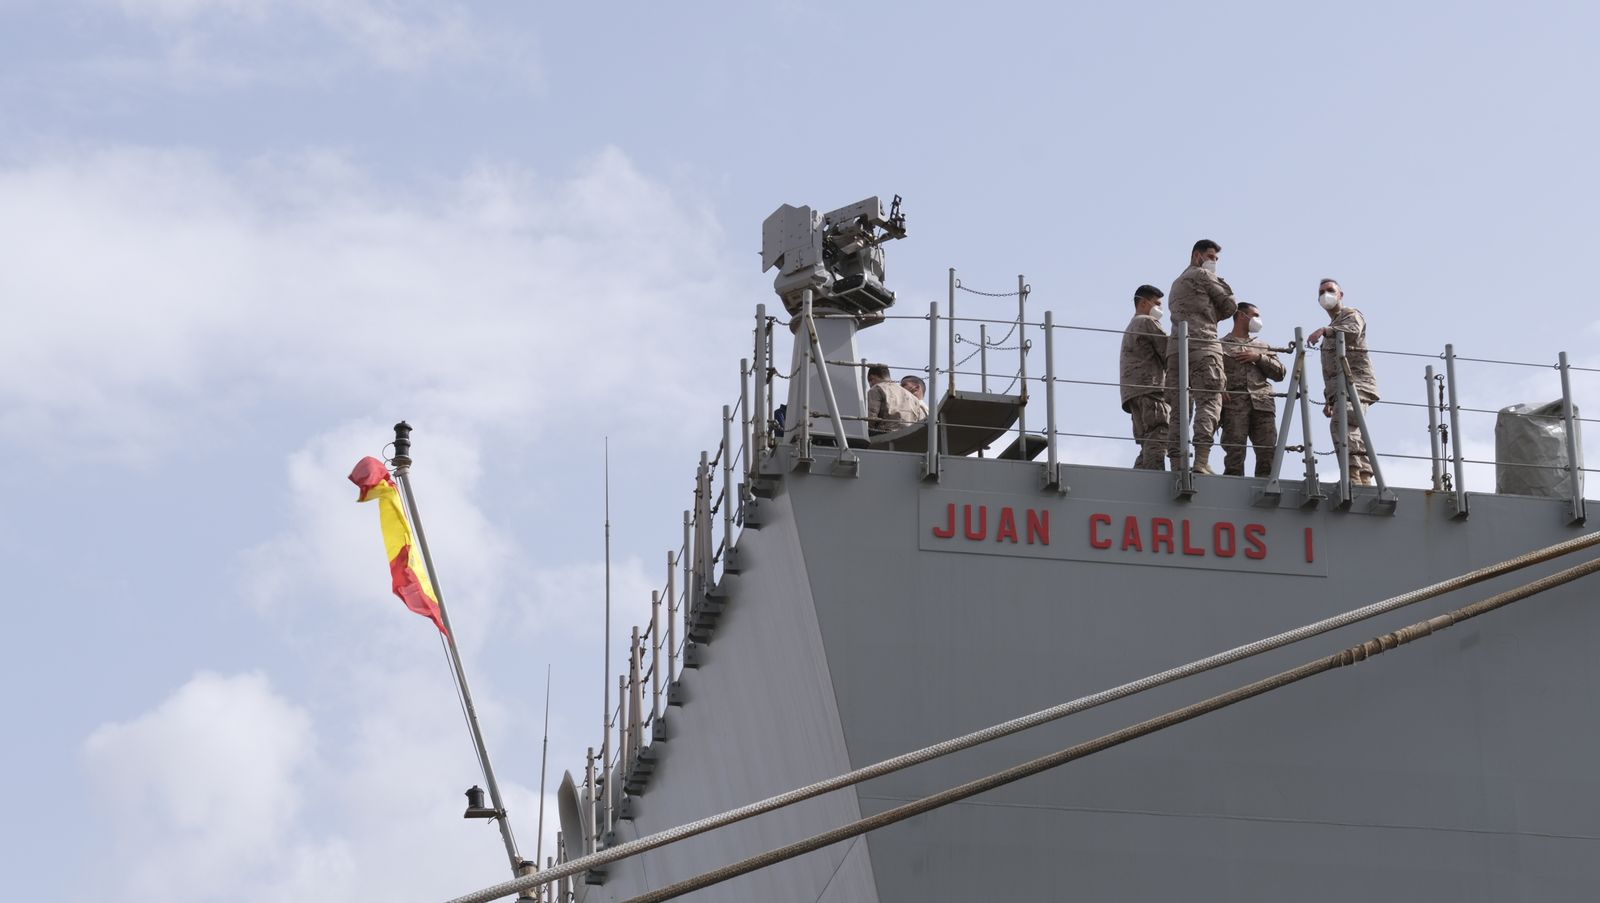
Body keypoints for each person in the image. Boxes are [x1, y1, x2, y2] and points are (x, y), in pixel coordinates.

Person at [1164, 239, 1238, 473]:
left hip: (1176, 350)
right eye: (1211, 257)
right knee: (1209, 401)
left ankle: (1176, 463)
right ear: (1197, 256)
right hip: (1204, 345)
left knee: (1178, 410)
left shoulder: (1176, 283)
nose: (1213, 262)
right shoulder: (1204, 276)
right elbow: (1230, 307)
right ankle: (1201, 460)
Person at [1306, 278, 1380, 485]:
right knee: (1352, 426)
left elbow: (1353, 332)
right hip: (1341, 387)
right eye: (1321, 292)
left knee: (1342, 423)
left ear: (1341, 295)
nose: (1325, 295)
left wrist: (1325, 331)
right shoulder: (1334, 325)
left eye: (1330, 290)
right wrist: (1329, 398)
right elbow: (1331, 368)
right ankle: (1363, 476)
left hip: (1357, 382)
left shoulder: (1350, 315)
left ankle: (1352, 474)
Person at [1220, 302, 1285, 477]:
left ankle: (1266, 490)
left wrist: (1259, 358)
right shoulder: (1220, 345)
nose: (1258, 319)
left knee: (1268, 453)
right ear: (1241, 315)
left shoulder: (1262, 346)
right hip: (1234, 406)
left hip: (1262, 404)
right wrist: (1219, 389)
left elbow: (1280, 373)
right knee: (1235, 452)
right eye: (1255, 315)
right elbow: (1212, 373)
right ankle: (1232, 490)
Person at [1119, 284, 1169, 470]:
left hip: (1133, 392)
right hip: (1150, 389)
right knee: (1159, 432)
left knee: (1147, 440)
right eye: (1157, 303)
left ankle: (1140, 476)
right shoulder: (1147, 322)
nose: (1160, 308)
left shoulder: (1131, 326)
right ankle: (1154, 478)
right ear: (1143, 303)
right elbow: (1169, 352)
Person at [866, 363, 922, 434]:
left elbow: (871, 418)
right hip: (909, 435)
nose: (870, 385)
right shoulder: (913, 397)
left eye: (869, 382)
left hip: (885, 433)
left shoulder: (877, 389)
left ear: (872, 378)